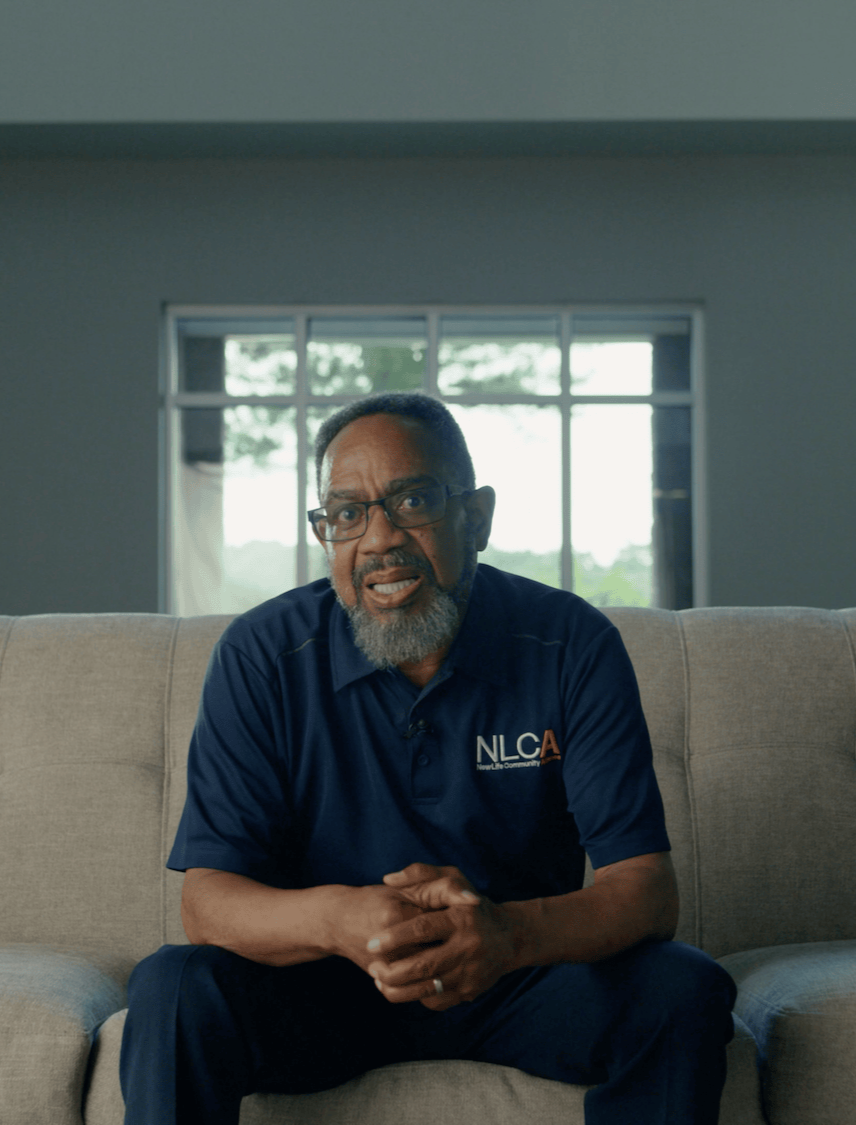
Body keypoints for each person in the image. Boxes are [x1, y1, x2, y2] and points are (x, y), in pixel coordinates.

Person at [120, 392, 735, 1125]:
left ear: (475, 518)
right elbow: (208, 902)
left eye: (411, 500)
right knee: (173, 985)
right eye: (346, 513)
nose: (378, 539)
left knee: (681, 987)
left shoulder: (570, 642)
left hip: (515, 975)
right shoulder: (262, 656)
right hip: (324, 985)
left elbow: (645, 892)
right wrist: (342, 920)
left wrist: (507, 934)